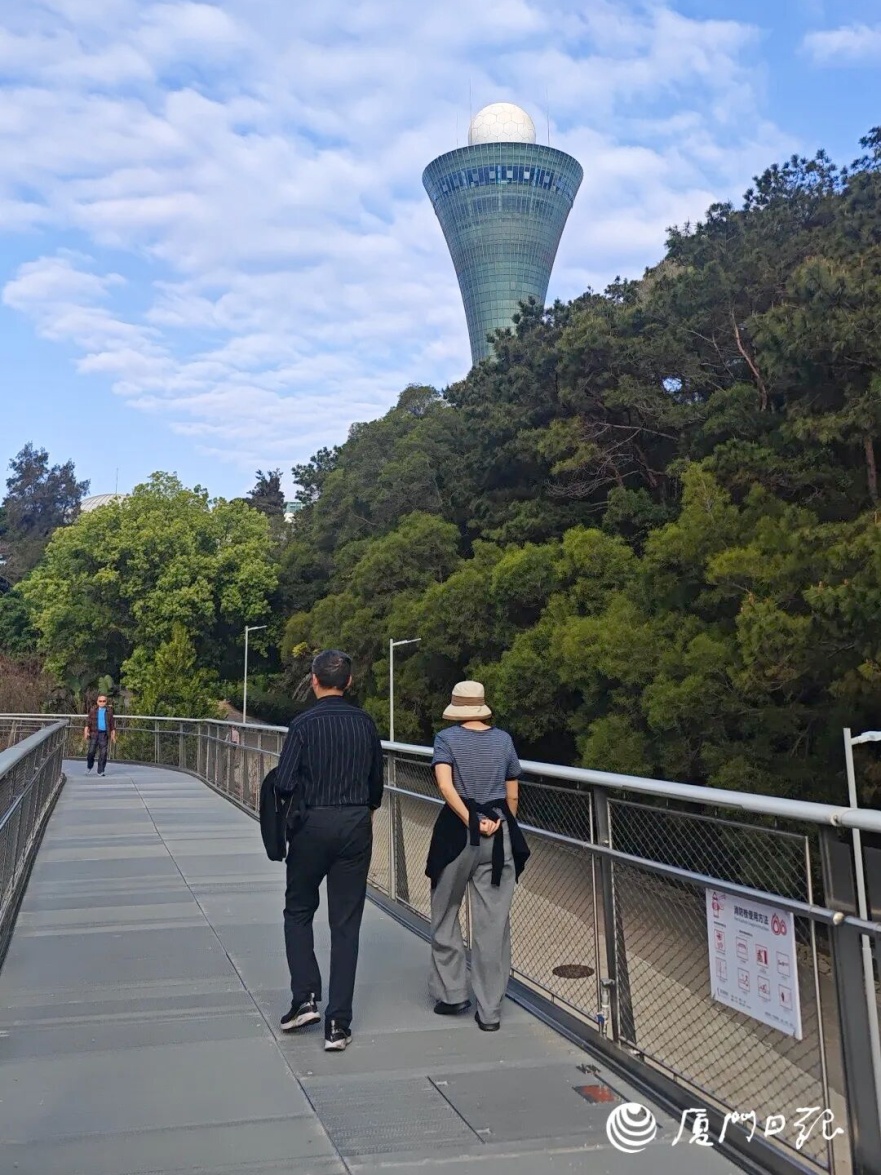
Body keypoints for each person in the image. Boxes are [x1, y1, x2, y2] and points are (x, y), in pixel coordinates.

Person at [275, 649, 383, 1051]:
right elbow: (376, 785)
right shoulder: (366, 724)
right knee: (346, 923)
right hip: (355, 825)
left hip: (311, 826)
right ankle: (338, 1024)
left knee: (299, 910)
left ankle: (304, 998)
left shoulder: (302, 725)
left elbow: (284, 783)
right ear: (349, 682)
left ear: (314, 680)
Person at [425, 680, 529, 1032]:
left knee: (445, 910)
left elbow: (444, 785)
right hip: (499, 837)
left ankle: (453, 993)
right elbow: (512, 793)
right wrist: (500, 823)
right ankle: (490, 1012)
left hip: (457, 835)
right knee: (492, 924)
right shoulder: (504, 740)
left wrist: (472, 819)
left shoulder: (446, 739)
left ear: (456, 708)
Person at [84, 693, 116, 776]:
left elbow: (112, 724)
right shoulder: (93, 710)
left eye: (104, 701)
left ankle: (100, 770)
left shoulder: (109, 711)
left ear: (106, 702)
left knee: (103, 753)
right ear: (97, 702)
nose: (102, 702)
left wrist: (113, 735)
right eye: (100, 701)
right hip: (94, 733)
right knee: (91, 752)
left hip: (104, 734)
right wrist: (86, 731)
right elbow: (88, 722)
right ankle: (89, 766)